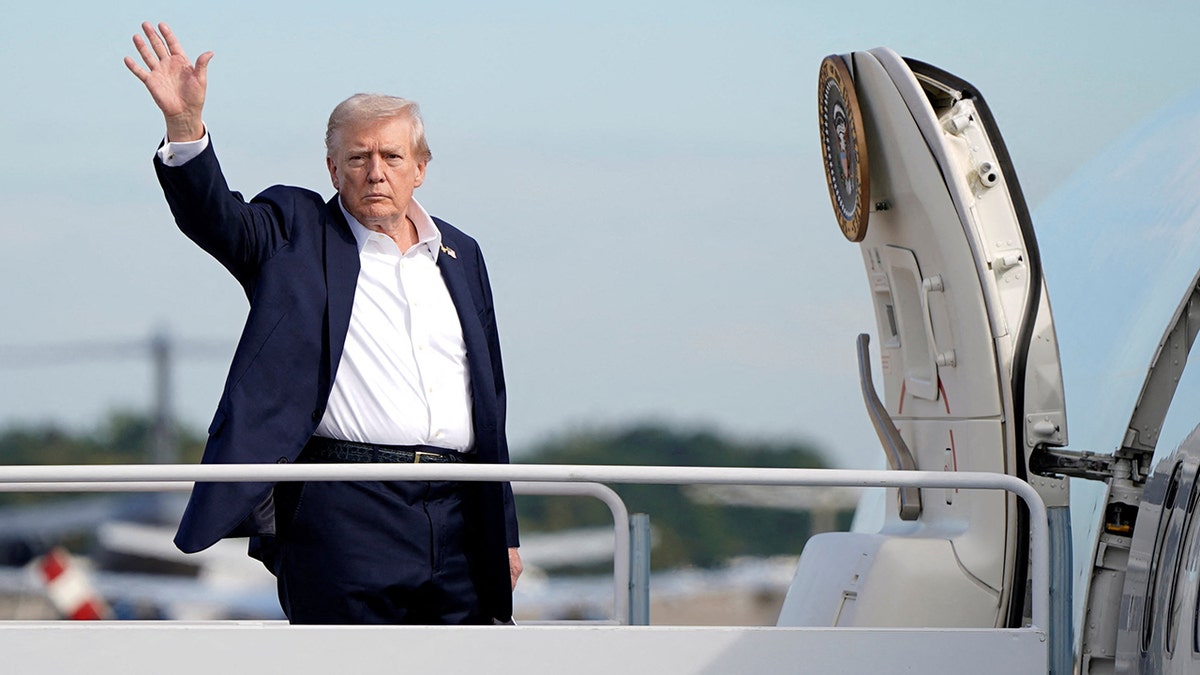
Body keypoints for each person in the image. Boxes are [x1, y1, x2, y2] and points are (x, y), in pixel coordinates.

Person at [124, 21, 521, 624]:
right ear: (333, 170)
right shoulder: (296, 231)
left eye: (392, 156)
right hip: (343, 505)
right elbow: (216, 219)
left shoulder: (461, 254)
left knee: (464, 662)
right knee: (343, 662)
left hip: (458, 512)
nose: (376, 172)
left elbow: (489, 402)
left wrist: (504, 530)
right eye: (358, 157)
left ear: (420, 168)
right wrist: (185, 125)